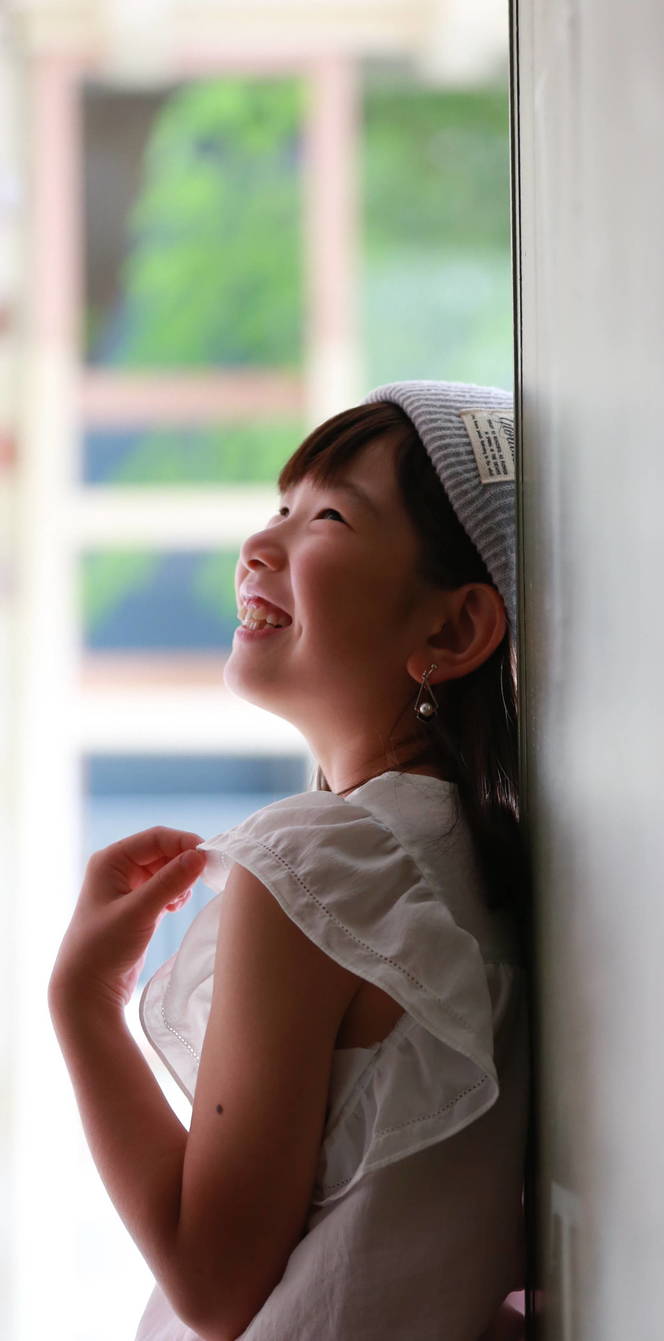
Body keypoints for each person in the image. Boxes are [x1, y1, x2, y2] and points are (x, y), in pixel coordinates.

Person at [49, 381, 530, 1341]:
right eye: (280, 506)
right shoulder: (482, 860)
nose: (259, 546)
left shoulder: (320, 865)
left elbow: (214, 1284)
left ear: (453, 629)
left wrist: (84, 1001)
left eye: (329, 518)